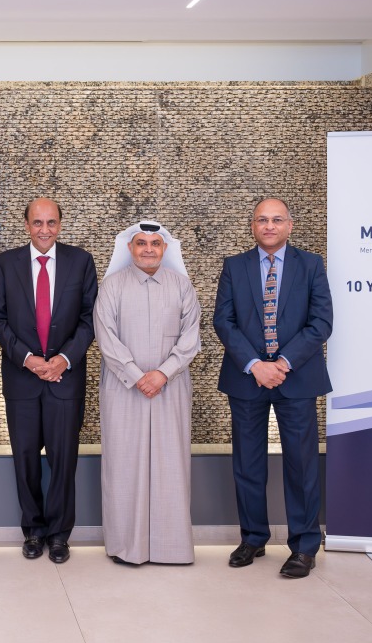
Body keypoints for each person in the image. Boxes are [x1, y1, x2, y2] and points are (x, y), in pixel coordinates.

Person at [214, 198, 333, 579]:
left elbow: (321, 322)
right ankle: (253, 538)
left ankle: (304, 546)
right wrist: (254, 365)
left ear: (290, 225)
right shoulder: (234, 266)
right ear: (252, 226)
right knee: (248, 463)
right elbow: (224, 321)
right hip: (247, 378)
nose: (269, 226)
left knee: (301, 464)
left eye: (276, 219)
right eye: (262, 220)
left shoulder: (311, 265)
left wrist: (281, 364)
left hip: (296, 378)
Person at [0, 197, 97, 563]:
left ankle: (60, 534)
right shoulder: (5, 264)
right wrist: (27, 359)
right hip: (22, 378)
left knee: (64, 460)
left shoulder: (81, 262)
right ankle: (33, 531)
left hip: (65, 378)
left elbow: (89, 318)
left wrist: (63, 359)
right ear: (26, 225)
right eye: (37, 222)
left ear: (60, 225)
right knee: (26, 459)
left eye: (51, 222)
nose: (44, 229)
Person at [94, 221, 200, 565]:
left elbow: (190, 339)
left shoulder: (182, 286)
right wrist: (138, 375)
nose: (149, 249)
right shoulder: (112, 286)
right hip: (124, 389)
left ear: (165, 249)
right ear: (130, 248)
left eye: (156, 243)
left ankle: (171, 548)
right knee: (124, 467)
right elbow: (105, 338)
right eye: (142, 243)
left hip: (170, 389)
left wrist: (162, 374)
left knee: (171, 466)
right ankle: (127, 547)